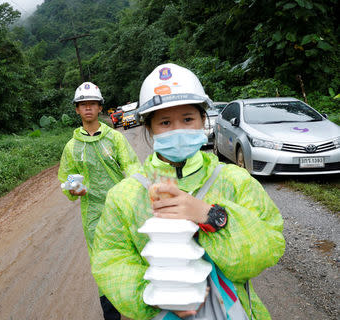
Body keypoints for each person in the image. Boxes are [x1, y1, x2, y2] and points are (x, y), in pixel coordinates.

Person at [91, 64, 285, 320]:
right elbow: (111, 260)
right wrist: (158, 297)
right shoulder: (125, 196)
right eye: (165, 122)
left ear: (203, 120)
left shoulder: (234, 181)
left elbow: (266, 249)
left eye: (187, 119)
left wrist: (211, 215)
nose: (178, 130)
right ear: (149, 128)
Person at [58, 81, 141, 320]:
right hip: (93, 215)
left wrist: (136, 191)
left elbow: (132, 167)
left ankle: (137, 303)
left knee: (131, 254)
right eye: (83, 105)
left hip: (121, 210)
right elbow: (67, 178)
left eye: (92, 104)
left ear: (100, 107)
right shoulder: (72, 147)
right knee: (102, 261)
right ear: (77, 109)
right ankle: (112, 314)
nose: (87, 108)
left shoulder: (114, 139)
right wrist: (73, 191)